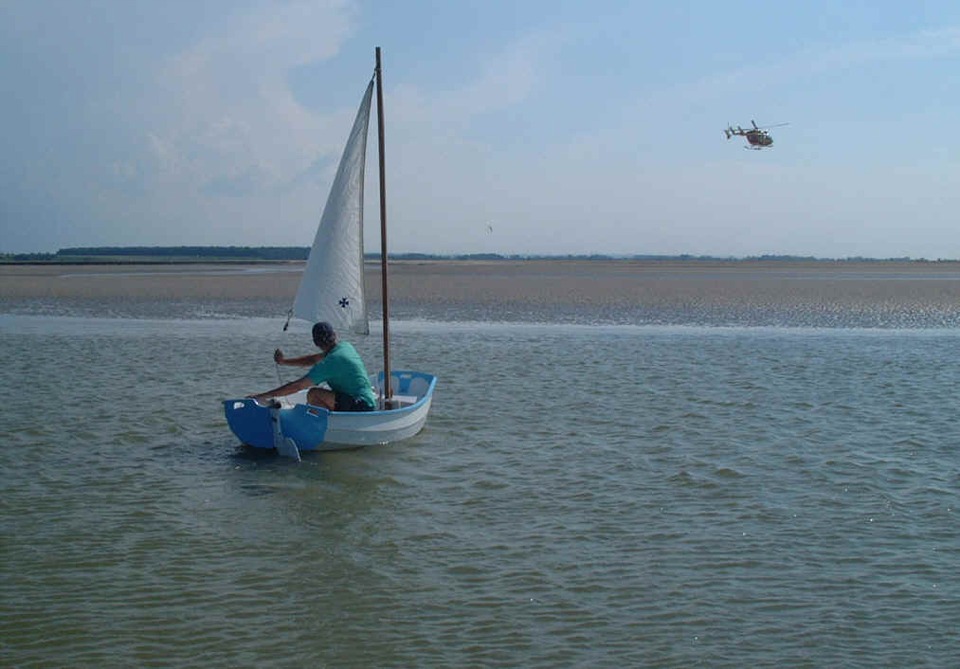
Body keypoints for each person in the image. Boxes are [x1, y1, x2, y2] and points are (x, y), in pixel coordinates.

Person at [248, 322, 377, 411]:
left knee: (314, 394)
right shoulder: (345, 347)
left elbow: (298, 386)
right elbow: (312, 359)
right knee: (319, 392)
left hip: (361, 405)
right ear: (335, 336)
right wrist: (284, 361)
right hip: (367, 402)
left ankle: (329, 425)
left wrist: (263, 396)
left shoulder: (330, 362)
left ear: (315, 342)